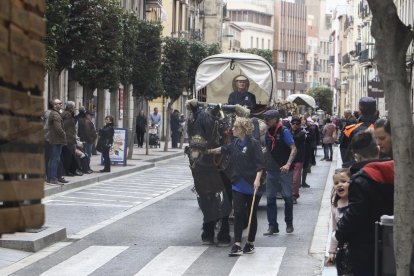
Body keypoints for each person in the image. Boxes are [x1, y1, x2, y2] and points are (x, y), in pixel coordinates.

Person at [336, 132, 394, 276]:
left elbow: (355, 215)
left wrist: (338, 234)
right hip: (392, 243)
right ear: (377, 150)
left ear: (357, 156)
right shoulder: (395, 170)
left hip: (365, 247)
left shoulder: (361, 179)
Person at [207, 117, 264, 256]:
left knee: (252, 215)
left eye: (235, 128)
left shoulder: (253, 144)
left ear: (242, 130)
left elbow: (260, 164)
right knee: (238, 214)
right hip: (238, 185)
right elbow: (223, 149)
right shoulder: (235, 143)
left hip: (253, 185)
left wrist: (257, 180)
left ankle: (250, 244)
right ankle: (237, 244)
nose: (232, 129)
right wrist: (208, 151)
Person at [262, 110, 297, 235]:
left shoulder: (284, 131)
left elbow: (293, 148)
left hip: (284, 170)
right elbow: (267, 148)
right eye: (265, 119)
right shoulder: (267, 132)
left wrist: (288, 164)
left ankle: (289, 223)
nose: (266, 121)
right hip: (271, 170)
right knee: (270, 198)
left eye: (269, 119)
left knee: (287, 197)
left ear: (276, 119)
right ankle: (272, 226)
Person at [341, 97, 377, 165]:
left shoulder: (350, 130)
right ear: (375, 112)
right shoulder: (385, 129)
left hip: (357, 170)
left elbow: (345, 154)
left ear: (360, 111)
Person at [326, 168, 351, 268]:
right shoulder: (335, 206)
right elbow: (335, 230)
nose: (339, 184)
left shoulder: (356, 201)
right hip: (343, 250)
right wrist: (332, 252)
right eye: (336, 183)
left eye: (344, 181)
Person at [47, 99, 67, 184]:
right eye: (59, 103)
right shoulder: (55, 114)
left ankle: (51, 177)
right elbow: (58, 128)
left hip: (56, 140)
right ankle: (52, 178)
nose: (61, 105)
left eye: (61, 103)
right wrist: (64, 134)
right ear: (55, 105)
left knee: (53, 159)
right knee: (55, 159)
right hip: (56, 140)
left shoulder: (56, 113)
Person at [290, 117, 305, 204]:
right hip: (289, 159)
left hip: (298, 158)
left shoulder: (302, 133)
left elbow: (296, 138)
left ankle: (294, 196)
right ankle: (288, 194)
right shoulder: (287, 131)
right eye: (293, 123)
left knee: (295, 179)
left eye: (297, 124)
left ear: (299, 125)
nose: (295, 125)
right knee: (288, 179)